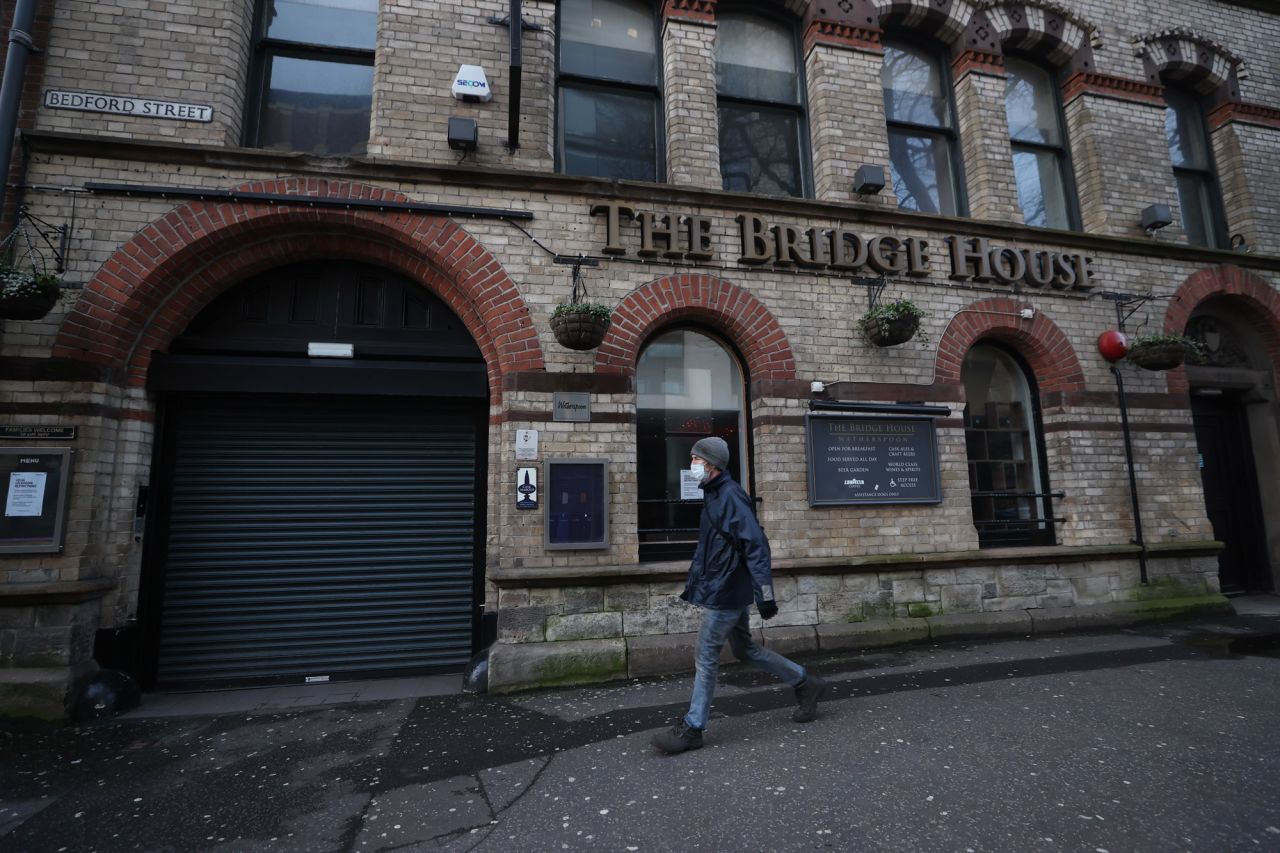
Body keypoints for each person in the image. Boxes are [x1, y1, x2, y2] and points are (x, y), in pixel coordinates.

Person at [651, 436, 828, 754]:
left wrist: (765, 594)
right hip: (725, 585)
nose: (691, 465)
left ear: (711, 464)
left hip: (728, 591)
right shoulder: (715, 494)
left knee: (705, 656)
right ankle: (805, 682)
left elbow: (756, 546)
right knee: (745, 650)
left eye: (695, 459)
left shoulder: (730, 496)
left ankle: (693, 728)